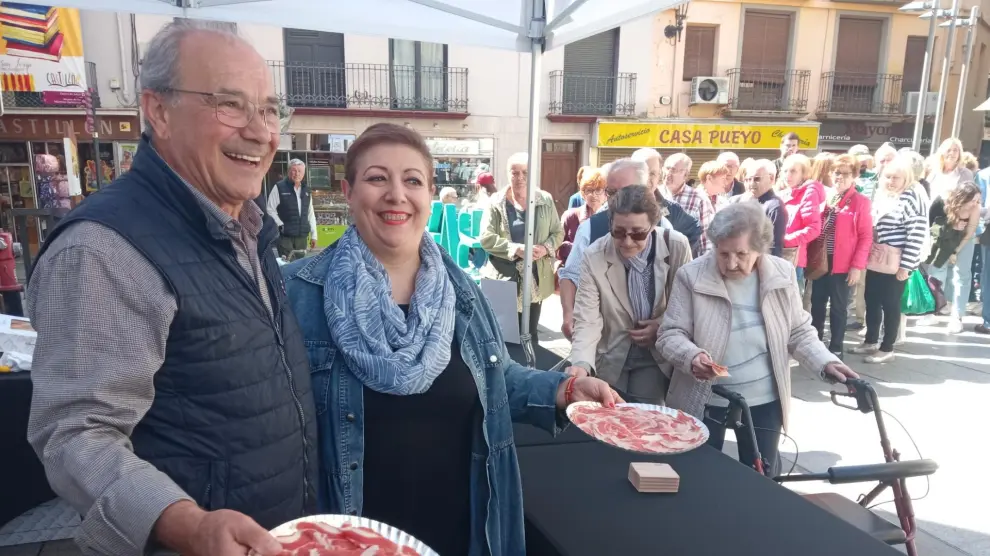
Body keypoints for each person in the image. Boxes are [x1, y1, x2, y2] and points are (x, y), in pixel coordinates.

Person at [26, 20, 316, 556]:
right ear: (157, 110)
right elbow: (75, 434)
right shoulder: (105, 248)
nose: (260, 131)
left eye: (269, 109)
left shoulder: (248, 226)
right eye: (229, 104)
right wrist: (188, 524)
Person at [281, 123, 621, 556]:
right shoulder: (297, 294)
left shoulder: (460, 292)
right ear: (348, 192)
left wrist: (565, 389)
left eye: (412, 181)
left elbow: (496, 379)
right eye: (377, 178)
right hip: (348, 538)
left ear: (429, 194)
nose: (396, 195)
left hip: (461, 531)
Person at [657, 202, 859, 475]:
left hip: (764, 398)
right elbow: (670, 334)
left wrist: (825, 362)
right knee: (699, 475)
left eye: (741, 254)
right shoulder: (691, 275)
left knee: (761, 476)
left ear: (760, 248)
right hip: (707, 396)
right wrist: (692, 357)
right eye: (723, 253)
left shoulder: (781, 273)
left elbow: (798, 331)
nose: (730, 263)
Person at [568, 185, 693, 403]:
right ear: (610, 224)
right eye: (618, 232)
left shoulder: (676, 245)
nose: (627, 242)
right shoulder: (594, 255)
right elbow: (587, 319)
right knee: (609, 422)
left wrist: (661, 326)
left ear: (653, 226)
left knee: (645, 422)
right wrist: (581, 363)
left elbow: (687, 306)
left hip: (656, 355)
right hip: (612, 352)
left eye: (637, 233)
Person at [558, 159, 701, 339]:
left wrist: (662, 324)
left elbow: (682, 296)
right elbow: (571, 275)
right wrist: (568, 315)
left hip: (656, 350)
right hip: (607, 343)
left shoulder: (667, 232)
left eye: (626, 192)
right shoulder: (590, 227)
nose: (618, 200)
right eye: (611, 192)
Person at [480, 152, 563, 344]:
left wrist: (544, 248)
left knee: (530, 335)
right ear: (507, 174)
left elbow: (558, 233)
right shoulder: (496, 202)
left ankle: (530, 371)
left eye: (525, 173)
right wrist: (516, 249)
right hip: (503, 278)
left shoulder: (545, 199)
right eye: (515, 172)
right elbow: (486, 238)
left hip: (535, 278)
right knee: (504, 338)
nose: (520, 178)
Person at [850, 157, 928, 363]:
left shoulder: (912, 197)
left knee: (891, 304)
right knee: (871, 299)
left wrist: (906, 266)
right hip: (877, 258)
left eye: (896, 177)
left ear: (906, 178)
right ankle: (871, 341)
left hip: (896, 260)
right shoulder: (883, 196)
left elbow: (917, 234)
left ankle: (887, 347)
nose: (891, 181)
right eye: (888, 176)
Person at [810, 154, 873, 358]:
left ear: (854, 176)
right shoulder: (826, 198)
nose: (840, 177)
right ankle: (816, 341)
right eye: (837, 173)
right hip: (821, 262)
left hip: (843, 264)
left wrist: (857, 266)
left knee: (838, 307)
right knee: (817, 303)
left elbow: (865, 236)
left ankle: (836, 346)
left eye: (846, 174)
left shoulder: (860, 202)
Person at [923, 182, 982, 333]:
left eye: (977, 200)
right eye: (973, 200)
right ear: (962, 197)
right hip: (943, 237)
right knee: (936, 272)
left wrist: (956, 251)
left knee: (962, 275)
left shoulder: (975, 208)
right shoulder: (942, 201)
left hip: (964, 240)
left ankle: (957, 316)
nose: (975, 204)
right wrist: (952, 227)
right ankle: (932, 310)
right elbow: (931, 224)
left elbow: (970, 232)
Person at [780, 153, 824, 291]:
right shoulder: (785, 192)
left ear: (803, 174)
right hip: (780, 256)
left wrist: (784, 240)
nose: (788, 175)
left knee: (793, 306)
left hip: (794, 259)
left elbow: (813, 228)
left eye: (793, 171)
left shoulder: (809, 192)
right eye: (785, 171)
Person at [663, 152, 715, 255]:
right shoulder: (655, 194)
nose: (667, 173)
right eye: (666, 168)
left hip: (685, 258)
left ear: (686, 175)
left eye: (673, 170)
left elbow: (706, 238)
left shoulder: (698, 198)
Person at [735, 159, 786, 257]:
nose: (751, 184)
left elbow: (773, 246)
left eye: (756, 179)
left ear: (771, 178)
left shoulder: (774, 206)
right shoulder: (749, 201)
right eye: (747, 180)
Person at [267, 157, 318, 256]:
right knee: (288, 263)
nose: (297, 173)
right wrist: (280, 224)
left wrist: (314, 235)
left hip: (301, 237)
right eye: (294, 170)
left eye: (300, 171)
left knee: (299, 265)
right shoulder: (279, 187)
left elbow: (310, 213)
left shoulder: (306, 190)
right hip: (285, 236)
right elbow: (270, 209)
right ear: (288, 171)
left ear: (304, 173)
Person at [559, 166, 606, 266]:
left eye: (598, 190)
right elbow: (556, 247)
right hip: (574, 273)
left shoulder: (612, 219)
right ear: (583, 193)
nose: (593, 195)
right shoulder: (570, 216)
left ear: (606, 194)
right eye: (589, 190)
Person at [928, 137, 974, 203]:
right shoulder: (934, 171)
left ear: (959, 154)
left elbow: (968, 198)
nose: (952, 153)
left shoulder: (965, 174)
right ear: (942, 153)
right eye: (948, 150)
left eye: (955, 150)